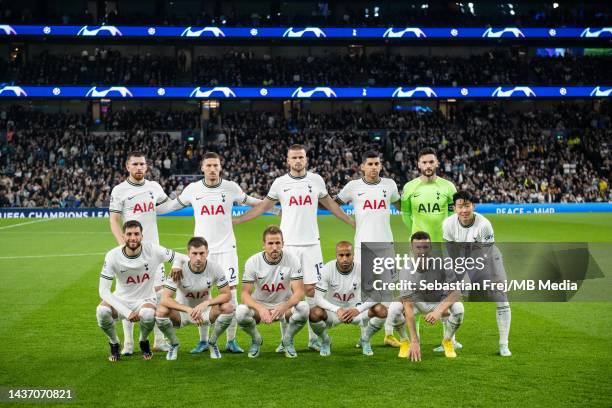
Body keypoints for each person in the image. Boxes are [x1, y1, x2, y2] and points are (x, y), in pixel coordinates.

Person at [234, 144, 355, 352]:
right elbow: (264, 207)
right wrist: (236, 221)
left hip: (312, 244)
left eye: (301, 157)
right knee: (286, 291)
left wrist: (352, 221)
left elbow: (331, 205)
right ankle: (285, 340)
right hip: (288, 244)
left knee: (312, 291)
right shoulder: (280, 183)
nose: (298, 161)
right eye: (294, 158)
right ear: (287, 161)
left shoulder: (316, 180)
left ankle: (312, 339)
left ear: (306, 159)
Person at [168, 152, 278, 354]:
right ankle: (203, 341)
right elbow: (171, 205)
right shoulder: (193, 189)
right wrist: (149, 209)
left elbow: (251, 201)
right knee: (203, 294)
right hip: (202, 251)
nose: (212, 169)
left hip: (227, 250)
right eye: (208, 165)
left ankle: (230, 340)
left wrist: (273, 208)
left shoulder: (231, 187)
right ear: (202, 168)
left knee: (231, 294)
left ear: (220, 167)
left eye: (215, 165)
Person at [109, 151, 176, 354]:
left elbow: (166, 207)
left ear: (147, 167)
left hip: (153, 252)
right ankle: (128, 343)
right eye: (135, 164)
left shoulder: (154, 187)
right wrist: (124, 248)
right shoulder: (119, 190)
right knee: (128, 295)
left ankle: (158, 340)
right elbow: (113, 220)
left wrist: (190, 198)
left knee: (156, 295)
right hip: (130, 253)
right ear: (127, 166)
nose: (139, 167)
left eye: (142, 164)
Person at [334, 150, 403, 348]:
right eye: (370, 164)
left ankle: (388, 334)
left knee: (388, 294)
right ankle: (364, 338)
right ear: (362, 167)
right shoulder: (353, 186)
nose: (374, 167)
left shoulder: (389, 185)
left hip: (386, 246)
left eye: (377, 164)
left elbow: (398, 203)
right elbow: (333, 203)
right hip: (363, 246)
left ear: (381, 165)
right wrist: (348, 220)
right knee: (365, 294)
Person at [400, 147, 461, 352]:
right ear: (418, 165)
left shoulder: (448, 187)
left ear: (437, 164)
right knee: (415, 289)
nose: (428, 166)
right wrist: (417, 234)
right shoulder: (409, 187)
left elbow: (454, 215)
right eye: (424, 162)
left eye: (431, 162)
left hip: (443, 246)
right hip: (419, 247)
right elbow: (406, 216)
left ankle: (449, 338)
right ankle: (414, 337)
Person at [96, 220, 179, 361]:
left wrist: (177, 265)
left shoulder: (152, 249)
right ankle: (114, 343)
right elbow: (103, 291)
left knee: (148, 314)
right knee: (102, 311)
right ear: (123, 236)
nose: (133, 238)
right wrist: (126, 312)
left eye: (136, 234)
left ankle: (143, 341)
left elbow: (179, 257)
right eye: (129, 234)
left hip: (144, 300)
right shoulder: (112, 255)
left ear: (142, 236)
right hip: (121, 299)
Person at [443, 191, 512, 357]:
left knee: (500, 296)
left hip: (488, 258)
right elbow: (452, 253)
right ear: (454, 208)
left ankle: (504, 344)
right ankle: (449, 341)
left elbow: (485, 255)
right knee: (447, 295)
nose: (464, 210)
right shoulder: (448, 224)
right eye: (460, 206)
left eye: (467, 206)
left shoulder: (484, 225)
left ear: (473, 206)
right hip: (462, 259)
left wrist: (483, 279)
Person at [156, 237, 235, 360]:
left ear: (207, 253)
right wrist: (187, 309)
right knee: (161, 311)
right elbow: (165, 299)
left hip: (206, 312)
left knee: (228, 308)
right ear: (188, 254)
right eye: (194, 253)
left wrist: (207, 303)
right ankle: (174, 343)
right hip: (183, 313)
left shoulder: (215, 268)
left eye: (202, 253)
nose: (198, 257)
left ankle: (212, 342)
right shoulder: (178, 270)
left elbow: (227, 294)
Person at [235, 226, 309, 358]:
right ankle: (256, 340)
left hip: (284, 305)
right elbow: (244, 294)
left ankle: (287, 340)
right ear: (264, 245)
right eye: (270, 243)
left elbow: (299, 292)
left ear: (283, 244)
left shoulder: (292, 260)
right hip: (260, 306)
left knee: (304, 308)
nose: (274, 247)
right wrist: (260, 309)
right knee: (240, 312)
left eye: (277, 243)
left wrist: (285, 306)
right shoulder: (253, 262)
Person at [309, 241, 388, 357]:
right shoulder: (327, 269)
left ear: (353, 255)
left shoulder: (362, 269)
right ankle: (326, 341)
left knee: (381, 310)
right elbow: (318, 299)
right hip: (334, 313)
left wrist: (358, 309)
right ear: (336, 255)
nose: (345, 259)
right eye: (341, 255)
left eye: (348, 255)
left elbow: (377, 295)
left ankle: (365, 339)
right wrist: (337, 309)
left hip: (356, 312)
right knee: (314, 313)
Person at [396, 231, 464, 361]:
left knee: (459, 309)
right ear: (411, 248)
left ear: (431, 248)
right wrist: (414, 341)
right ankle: (405, 341)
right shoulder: (406, 270)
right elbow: (408, 307)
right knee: (394, 309)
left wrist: (439, 311)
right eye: (418, 247)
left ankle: (447, 340)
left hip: (437, 302)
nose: (422, 251)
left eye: (425, 247)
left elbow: (457, 292)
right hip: (418, 303)